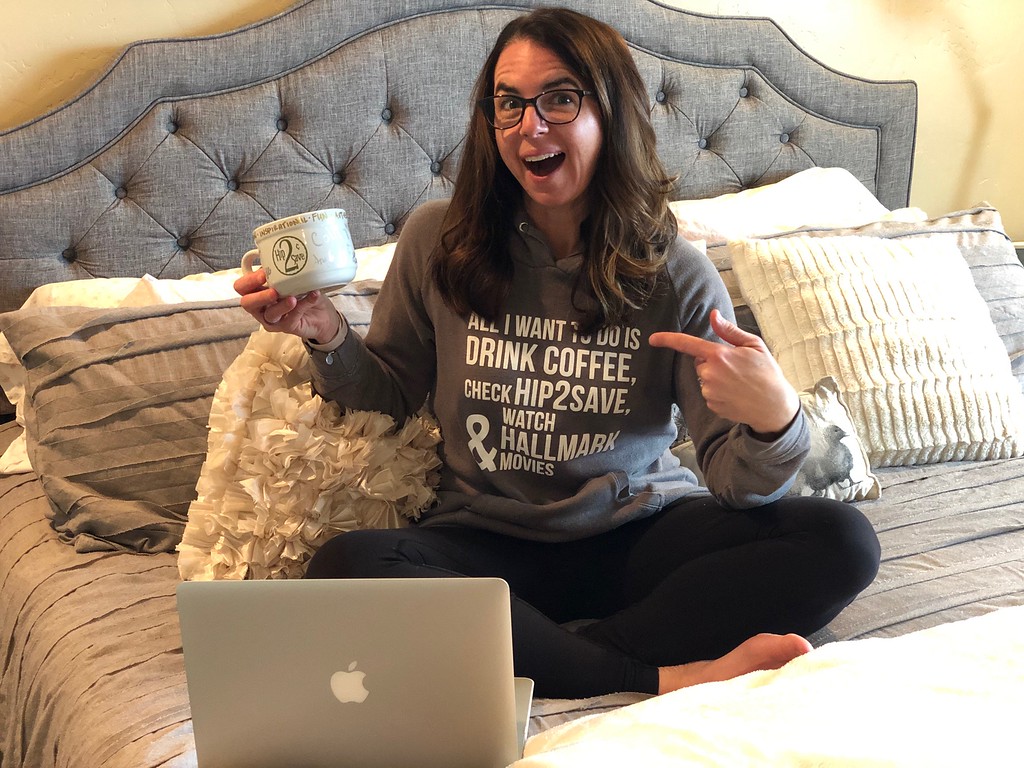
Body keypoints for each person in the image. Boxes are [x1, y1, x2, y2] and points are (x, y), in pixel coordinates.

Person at [234, 8, 880, 699]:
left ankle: (549, 653)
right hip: (485, 540)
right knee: (346, 566)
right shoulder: (437, 243)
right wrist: (326, 335)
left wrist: (777, 422)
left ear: (613, 112)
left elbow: (736, 484)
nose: (529, 126)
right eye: (508, 103)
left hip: (637, 533)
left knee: (844, 541)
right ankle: (656, 671)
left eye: (560, 99)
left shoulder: (677, 275)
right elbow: (388, 399)